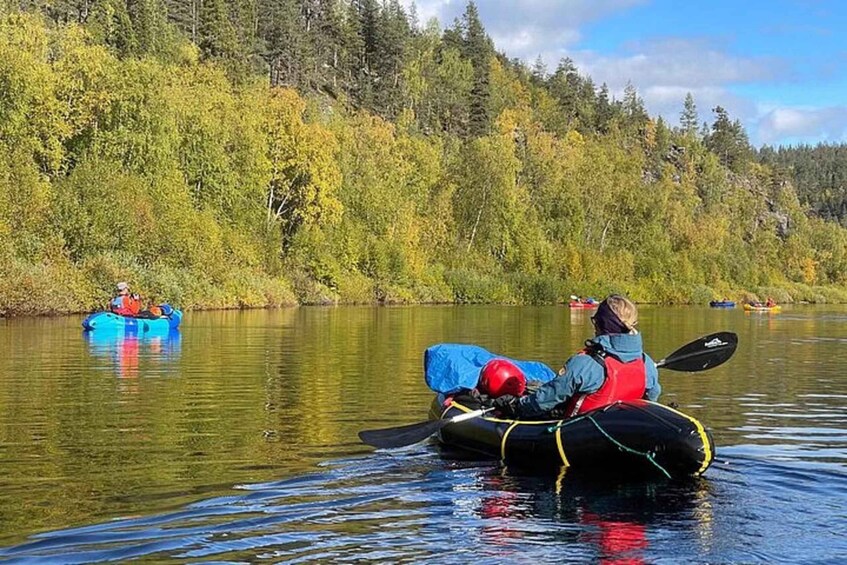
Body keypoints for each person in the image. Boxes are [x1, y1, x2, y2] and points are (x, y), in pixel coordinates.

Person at [494, 294, 661, 419]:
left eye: (596, 321)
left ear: (603, 325)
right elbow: (652, 395)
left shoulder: (586, 363)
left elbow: (548, 397)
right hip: (621, 430)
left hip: (577, 434)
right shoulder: (646, 363)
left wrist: (516, 407)